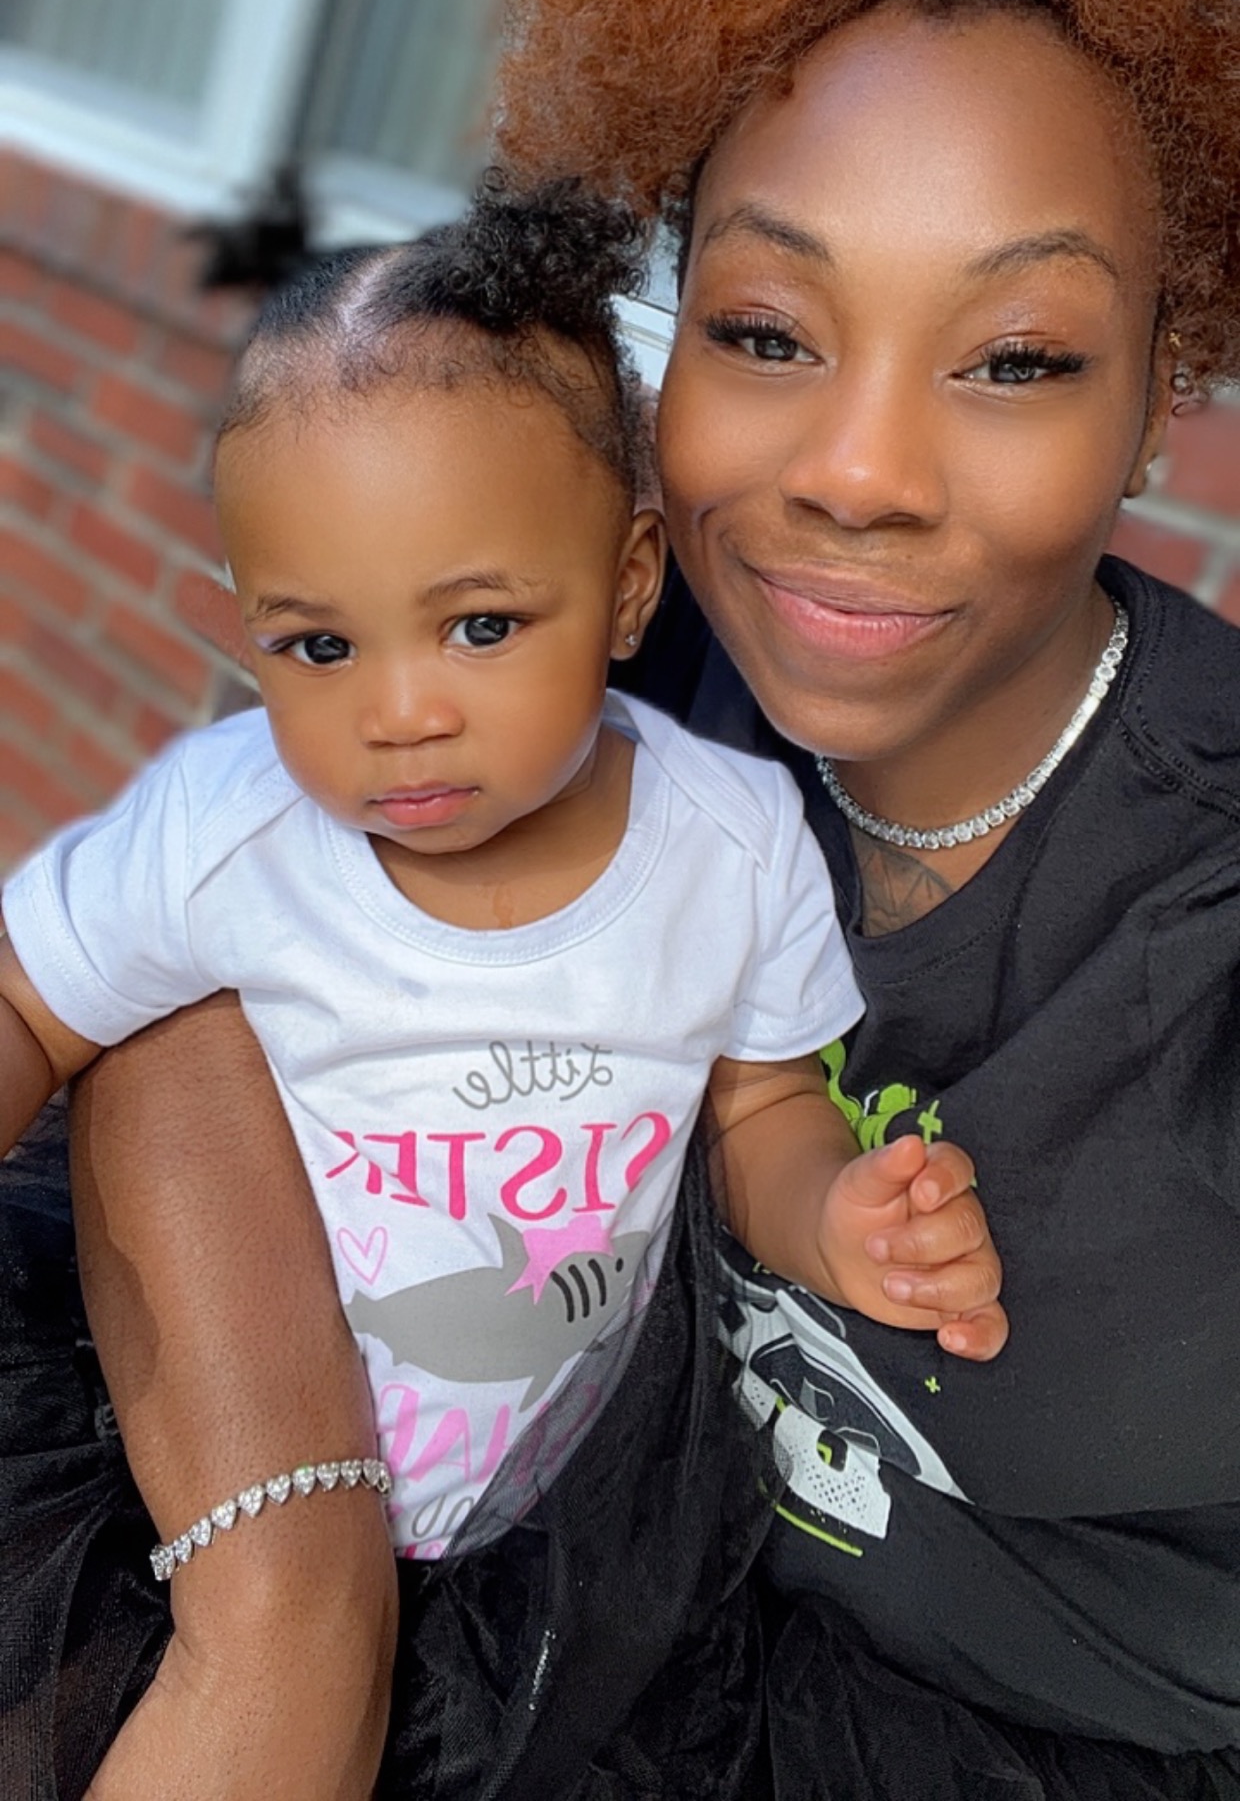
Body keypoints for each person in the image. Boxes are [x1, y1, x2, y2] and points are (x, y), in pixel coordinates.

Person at [4, 0, 1240, 1801]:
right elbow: (176, 969)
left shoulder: (1196, 939)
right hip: (536, 1571)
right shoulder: (598, 665)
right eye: (764, 329)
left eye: (1015, 357)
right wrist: (292, 1592)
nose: (856, 473)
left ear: (1156, 392)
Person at [0, 176, 1001, 1800]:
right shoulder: (225, 834)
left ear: (627, 584)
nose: (399, 712)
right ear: (248, 628)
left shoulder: (729, 844)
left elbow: (757, 1107)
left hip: (538, 1523)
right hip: (214, 1448)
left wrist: (836, 1218)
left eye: (478, 625)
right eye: (320, 647)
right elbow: (31, 1008)